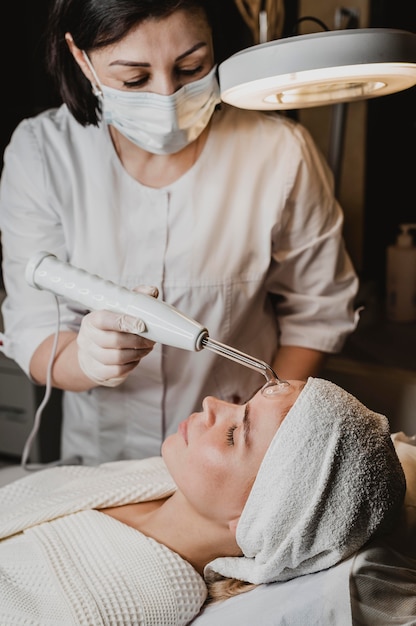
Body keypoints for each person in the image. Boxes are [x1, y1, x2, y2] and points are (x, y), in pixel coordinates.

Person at [0, 0, 359, 465]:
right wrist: (86, 361)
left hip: (238, 460)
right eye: (134, 79)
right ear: (79, 55)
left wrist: (251, 435)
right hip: (104, 457)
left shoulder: (278, 153)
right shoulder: (43, 155)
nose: (167, 96)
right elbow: (33, 330)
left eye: (192, 67)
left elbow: (319, 313)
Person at [0, 378, 406, 625]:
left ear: (254, 518)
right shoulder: (158, 480)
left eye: (234, 435)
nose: (213, 404)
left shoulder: (114, 608)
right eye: (243, 404)